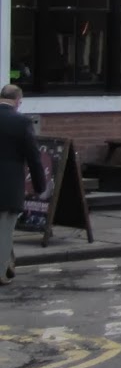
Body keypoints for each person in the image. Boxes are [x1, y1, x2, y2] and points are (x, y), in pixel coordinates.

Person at [1, 84, 47, 286]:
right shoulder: (21, 122)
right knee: (4, 230)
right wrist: (40, 185)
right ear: (18, 101)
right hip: (8, 185)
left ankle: (8, 265)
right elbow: (34, 157)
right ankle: (1, 273)